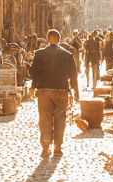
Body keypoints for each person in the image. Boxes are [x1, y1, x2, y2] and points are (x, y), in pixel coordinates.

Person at [29, 29, 78, 158]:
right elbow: (74, 75)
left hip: (44, 92)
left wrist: (33, 86)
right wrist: (75, 92)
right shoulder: (67, 55)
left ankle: (45, 148)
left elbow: (33, 72)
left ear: (48, 38)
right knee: (60, 119)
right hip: (61, 92)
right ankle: (58, 147)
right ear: (59, 39)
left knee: (44, 119)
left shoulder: (40, 54)